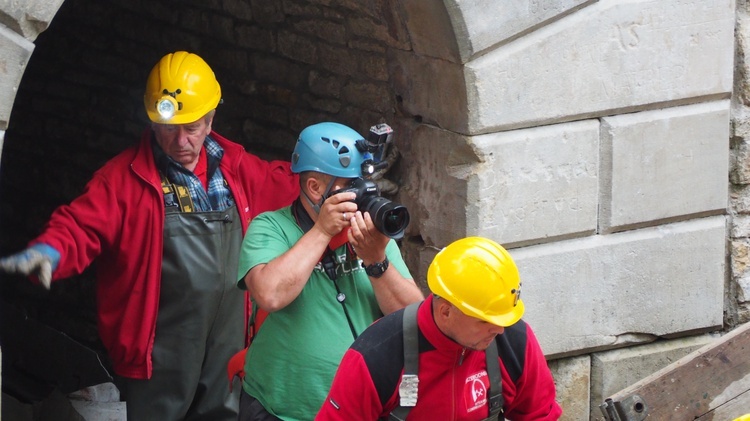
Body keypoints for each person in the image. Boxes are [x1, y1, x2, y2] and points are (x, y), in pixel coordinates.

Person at [0, 51, 299, 421]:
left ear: (210, 121)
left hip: (228, 339)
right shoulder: (124, 179)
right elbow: (80, 225)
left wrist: (334, 181)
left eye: (191, 128)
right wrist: (51, 251)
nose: (180, 140)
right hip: (158, 349)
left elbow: (288, 185)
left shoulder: (236, 168)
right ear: (153, 122)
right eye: (169, 127)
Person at [237, 121, 424, 421]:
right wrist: (323, 229)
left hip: (361, 408)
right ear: (314, 188)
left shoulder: (370, 234)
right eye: (352, 187)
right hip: (283, 410)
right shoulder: (269, 227)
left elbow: (414, 318)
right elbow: (270, 294)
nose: (362, 195)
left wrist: (377, 261)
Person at [316, 236, 563, 420]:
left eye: (503, 318)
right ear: (446, 310)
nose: (499, 329)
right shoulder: (376, 356)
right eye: (485, 319)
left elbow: (542, 414)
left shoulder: (514, 340)